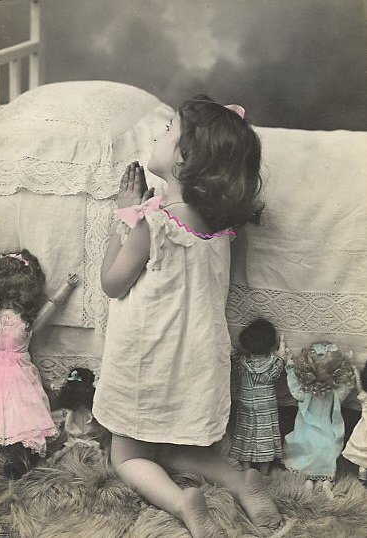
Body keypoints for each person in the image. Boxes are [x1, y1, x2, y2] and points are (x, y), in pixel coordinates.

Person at [93, 95, 284, 538]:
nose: (158, 135)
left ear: (184, 159)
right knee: (172, 448)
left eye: (167, 130)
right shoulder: (222, 232)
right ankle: (239, 479)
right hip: (195, 364)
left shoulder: (152, 224)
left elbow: (112, 284)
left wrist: (123, 219)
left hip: (148, 362)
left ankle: (182, 502)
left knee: (127, 455)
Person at [0, 252, 78, 479]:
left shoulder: (24, 319)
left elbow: (52, 306)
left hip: (16, 375)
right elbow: (51, 304)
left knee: (20, 418)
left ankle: (18, 458)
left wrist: (67, 286)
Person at [282, 342, 355, 497]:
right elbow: (346, 388)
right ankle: (326, 483)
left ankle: (308, 481)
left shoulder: (306, 391)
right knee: (326, 455)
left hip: (306, 431)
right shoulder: (333, 393)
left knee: (306, 454)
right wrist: (349, 364)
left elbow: (294, 389)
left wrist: (290, 367)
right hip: (326, 430)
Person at [231, 319, 285, 476]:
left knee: (246, 432)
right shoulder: (273, 363)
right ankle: (264, 472)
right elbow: (280, 363)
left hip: (246, 402)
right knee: (265, 435)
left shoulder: (241, 362)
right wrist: (282, 349)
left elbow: (232, 352)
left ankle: (246, 469)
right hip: (266, 405)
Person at [48, 367, 110, 463]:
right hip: (75, 446)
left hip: (93, 447)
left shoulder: (94, 413)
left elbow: (101, 436)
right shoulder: (70, 413)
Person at [342, 360, 367, 486]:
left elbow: (359, 387)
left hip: (364, 434)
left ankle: (362, 479)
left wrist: (356, 372)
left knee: (362, 458)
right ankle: (362, 478)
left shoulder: (365, 398)